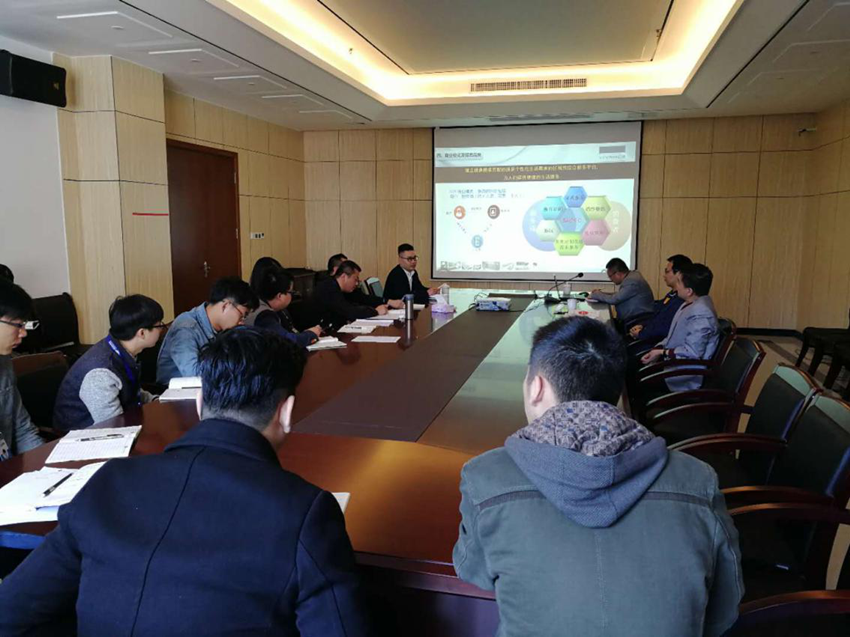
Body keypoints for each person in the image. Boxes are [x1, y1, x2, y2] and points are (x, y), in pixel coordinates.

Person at [0, 328, 371, 636]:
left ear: (199, 402)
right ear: (286, 412)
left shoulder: (109, 481)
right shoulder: (305, 511)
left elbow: (13, 608)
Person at [452, 316, 743, 636]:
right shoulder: (698, 480)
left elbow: (473, 573)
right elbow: (724, 610)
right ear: (616, 391)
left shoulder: (485, 477)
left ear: (536, 387)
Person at [53, 295, 166, 431]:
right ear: (142, 333)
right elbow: (114, 427)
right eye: (159, 325)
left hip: (121, 425)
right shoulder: (100, 372)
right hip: (88, 436)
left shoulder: (120, 350)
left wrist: (158, 401)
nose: (162, 329)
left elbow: (130, 392)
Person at [156, 276, 257, 385]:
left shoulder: (221, 330)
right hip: (175, 392)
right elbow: (194, 375)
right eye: (242, 315)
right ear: (225, 306)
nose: (242, 322)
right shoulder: (187, 328)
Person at [640, 263, 721, 391]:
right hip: (672, 365)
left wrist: (662, 352)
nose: (676, 286)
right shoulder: (689, 303)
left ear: (689, 291)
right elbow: (672, 336)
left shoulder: (701, 313)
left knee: (636, 381)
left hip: (683, 376)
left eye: (678, 282)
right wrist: (659, 348)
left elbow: (692, 352)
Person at [0, 279, 43, 458]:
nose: (24, 333)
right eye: (18, 325)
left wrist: (45, 465)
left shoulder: (4, 363)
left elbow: (23, 430)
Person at [246, 266, 321, 348]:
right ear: (280, 296)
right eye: (291, 292)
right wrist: (311, 334)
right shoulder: (264, 315)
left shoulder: (258, 303)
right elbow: (287, 341)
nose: (292, 296)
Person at [628, 254, 692, 343]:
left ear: (679, 274)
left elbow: (664, 328)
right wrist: (642, 325)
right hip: (649, 334)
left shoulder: (680, 299)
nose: (664, 275)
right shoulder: (672, 295)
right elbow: (656, 315)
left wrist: (641, 333)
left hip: (657, 342)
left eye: (667, 271)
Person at [315, 260, 401, 326]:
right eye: (355, 279)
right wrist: (375, 311)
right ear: (344, 277)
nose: (356, 283)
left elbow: (363, 298)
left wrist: (387, 301)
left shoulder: (346, 289)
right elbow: (350, 311)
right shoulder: (329, 288)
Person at [589, 258, 655, 326]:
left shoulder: (632, 281)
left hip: (636, 321)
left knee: (601, 325)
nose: (611, 279)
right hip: (632, 319)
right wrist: (602, 293)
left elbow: (615, 299)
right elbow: (619, 295)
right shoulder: (632, 276)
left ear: (618, 274)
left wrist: (597, 294)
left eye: (610, 276)